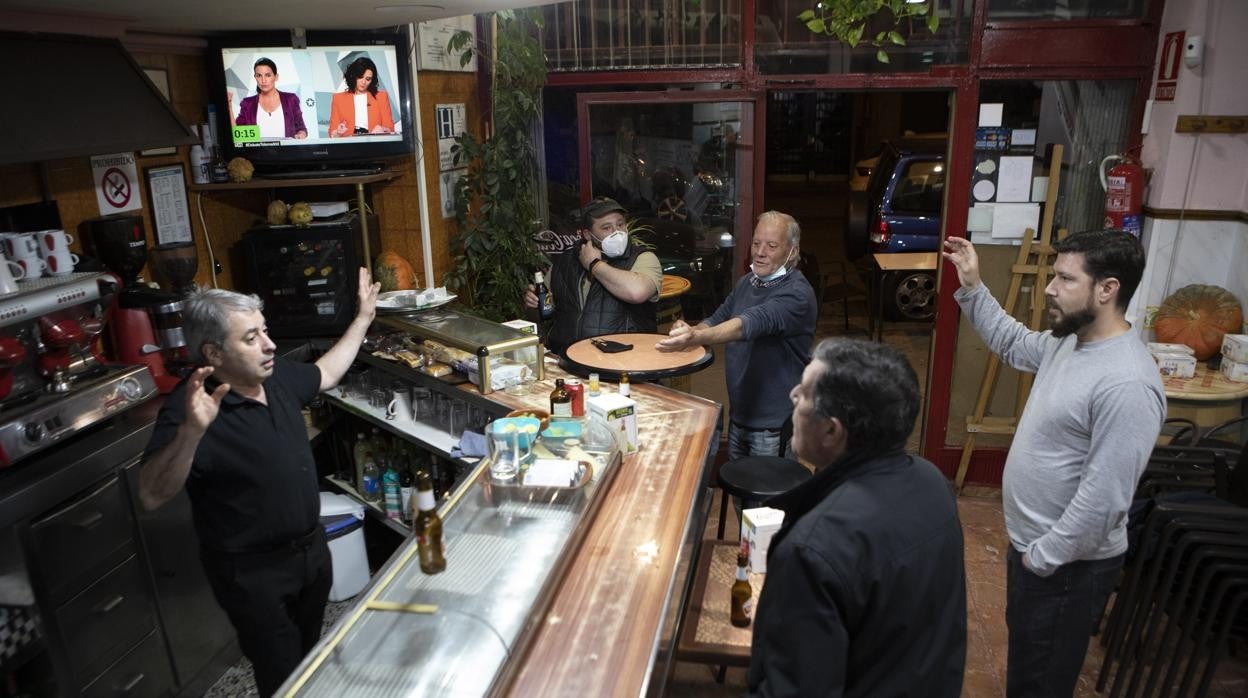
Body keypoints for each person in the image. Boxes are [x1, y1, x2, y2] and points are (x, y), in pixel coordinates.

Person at [942, 230, 1165, 697]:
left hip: (1067, 569)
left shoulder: (1126, 383)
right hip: (1039, 555)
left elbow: (1103, 501)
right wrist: (972, 285)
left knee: (1039, 685)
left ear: (1107, 289)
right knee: (1029, 669)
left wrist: (1041, 559)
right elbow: (1012, 342)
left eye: (1065, 278)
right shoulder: (1070, 342)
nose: (1049, 287)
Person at [137, 268, 379, 697]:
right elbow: (152, 494)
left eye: (264, 331)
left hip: (309, 554)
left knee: (307, 659)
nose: (269, 345)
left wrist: (362, 319)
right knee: (282, 678)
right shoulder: (190, 407)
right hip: (252, 574)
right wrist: (192, 432)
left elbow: (325, 373)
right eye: (251, 338)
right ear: (212, 352)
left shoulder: (274, 376)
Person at [748, 337, 967, 697]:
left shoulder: (813, 550)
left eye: (803, 394)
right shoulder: (931, 482)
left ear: (832, 430)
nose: (792, 396)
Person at [656, 210, 817, 459]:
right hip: (741, 416)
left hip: (773, 426)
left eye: (771, 245)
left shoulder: (797, 294)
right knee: (739, 496)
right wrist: (691, 330)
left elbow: (746, 325)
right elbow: (717, 319)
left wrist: (697, 339)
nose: (760, 252)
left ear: (792, 252)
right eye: (756, 243)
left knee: (766, 497)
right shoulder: (748, 282)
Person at [524, 196, 663, 354]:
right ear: (588, 235)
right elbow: (542, 313)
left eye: (620, 224)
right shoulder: (564, 262)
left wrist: (594, 264)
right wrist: (533, 305)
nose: (617, 232)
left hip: (622, 362)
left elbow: (637, 292)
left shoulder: (642, 258)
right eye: (606, 228)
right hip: (567, 360)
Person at [229, 57, 308, 140]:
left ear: (276, 77)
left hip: (287, 152)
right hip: (256, 152)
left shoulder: (291, 99)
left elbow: (301, 129)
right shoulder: (247, 103)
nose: (263, 80)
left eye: (268, 75)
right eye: (259, 75)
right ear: (255, 77)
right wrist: (229, 106)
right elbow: (237, 135)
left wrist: (300, 135)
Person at [328, 56, 395, 137]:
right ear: (353, 76)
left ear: (372, 80)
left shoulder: (381, 97)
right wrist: (338, 132)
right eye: (360, 77)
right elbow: (332, 133)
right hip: (348, 144)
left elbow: (390, 128)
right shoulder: (338, 99)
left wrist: (383, 130)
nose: (363, 82)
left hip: (373, 143)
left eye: (368, 79)